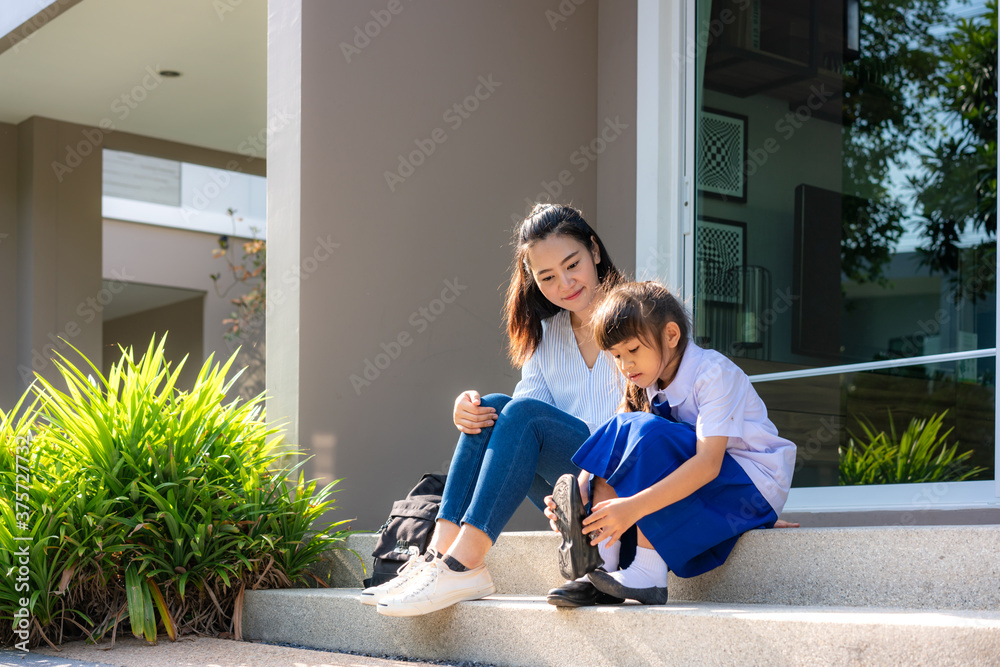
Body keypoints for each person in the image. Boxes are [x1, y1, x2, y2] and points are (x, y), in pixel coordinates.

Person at [368, 203, 625, 617]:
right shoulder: (547, 332)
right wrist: (468, 413)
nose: (564, 283)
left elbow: (683, 410)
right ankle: (436, 556)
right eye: (546, 277)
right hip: (571, 492)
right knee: (492, 406)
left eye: (572, 264)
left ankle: (463, 563)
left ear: (594, 250)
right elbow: (518, 416)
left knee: (518, 414)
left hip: (623, 480)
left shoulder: (639, 314)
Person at [545, 280, 797, 605]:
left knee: (643, 431)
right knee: (625, 429)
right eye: (617, 355)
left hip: (749, 486)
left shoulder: (712, 374)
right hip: (716, 484)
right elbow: (617, 442)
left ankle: (648, 573)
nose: (625, 365)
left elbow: (708, 465)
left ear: (672, 335)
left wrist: (633, 507)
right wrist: (581, 492)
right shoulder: (649, 383)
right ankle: (600, 569)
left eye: (633, 350)